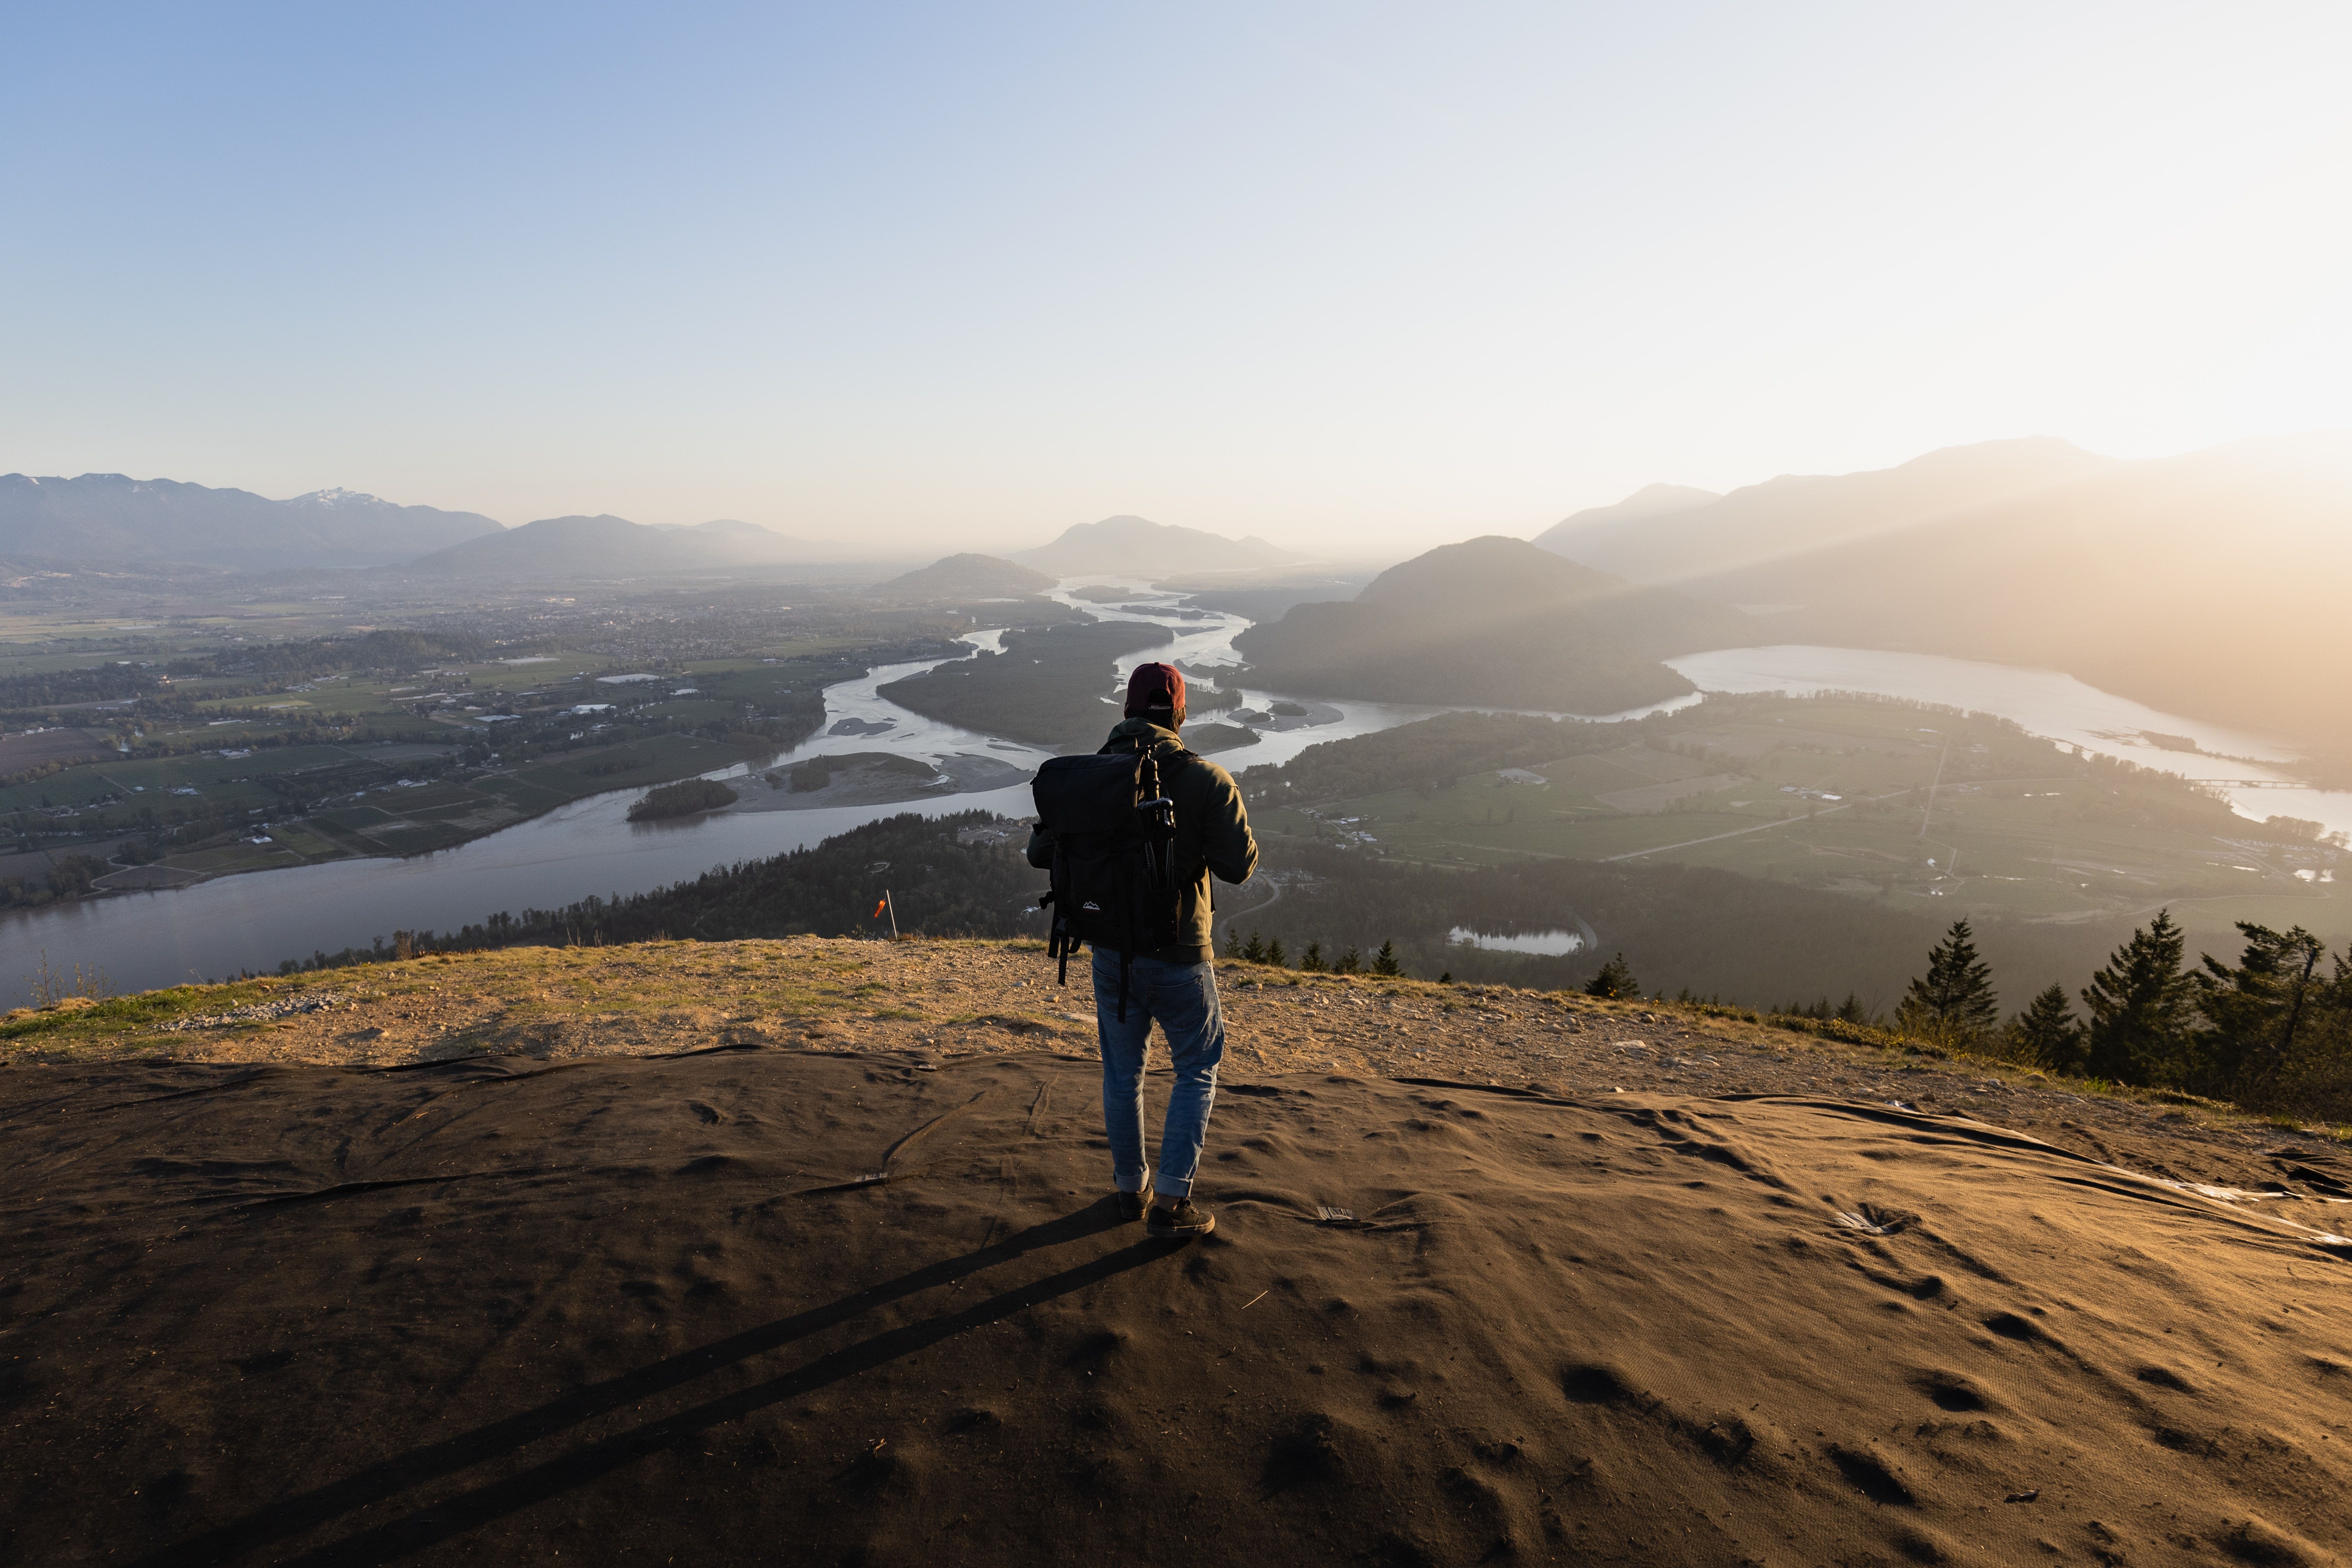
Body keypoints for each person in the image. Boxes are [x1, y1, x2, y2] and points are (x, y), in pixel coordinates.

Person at [1027, 661, 1257, 1237]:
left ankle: (1131, 1189)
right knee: (1197, 1067)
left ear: (1127, 711)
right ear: (1180, 713)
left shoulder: (1091, 777)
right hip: (1181, 955)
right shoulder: (1206, 780)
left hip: (1111, 952)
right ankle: (1174, 1205)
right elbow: (1240, 867)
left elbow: (1039, 853)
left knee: (1123, 1072)